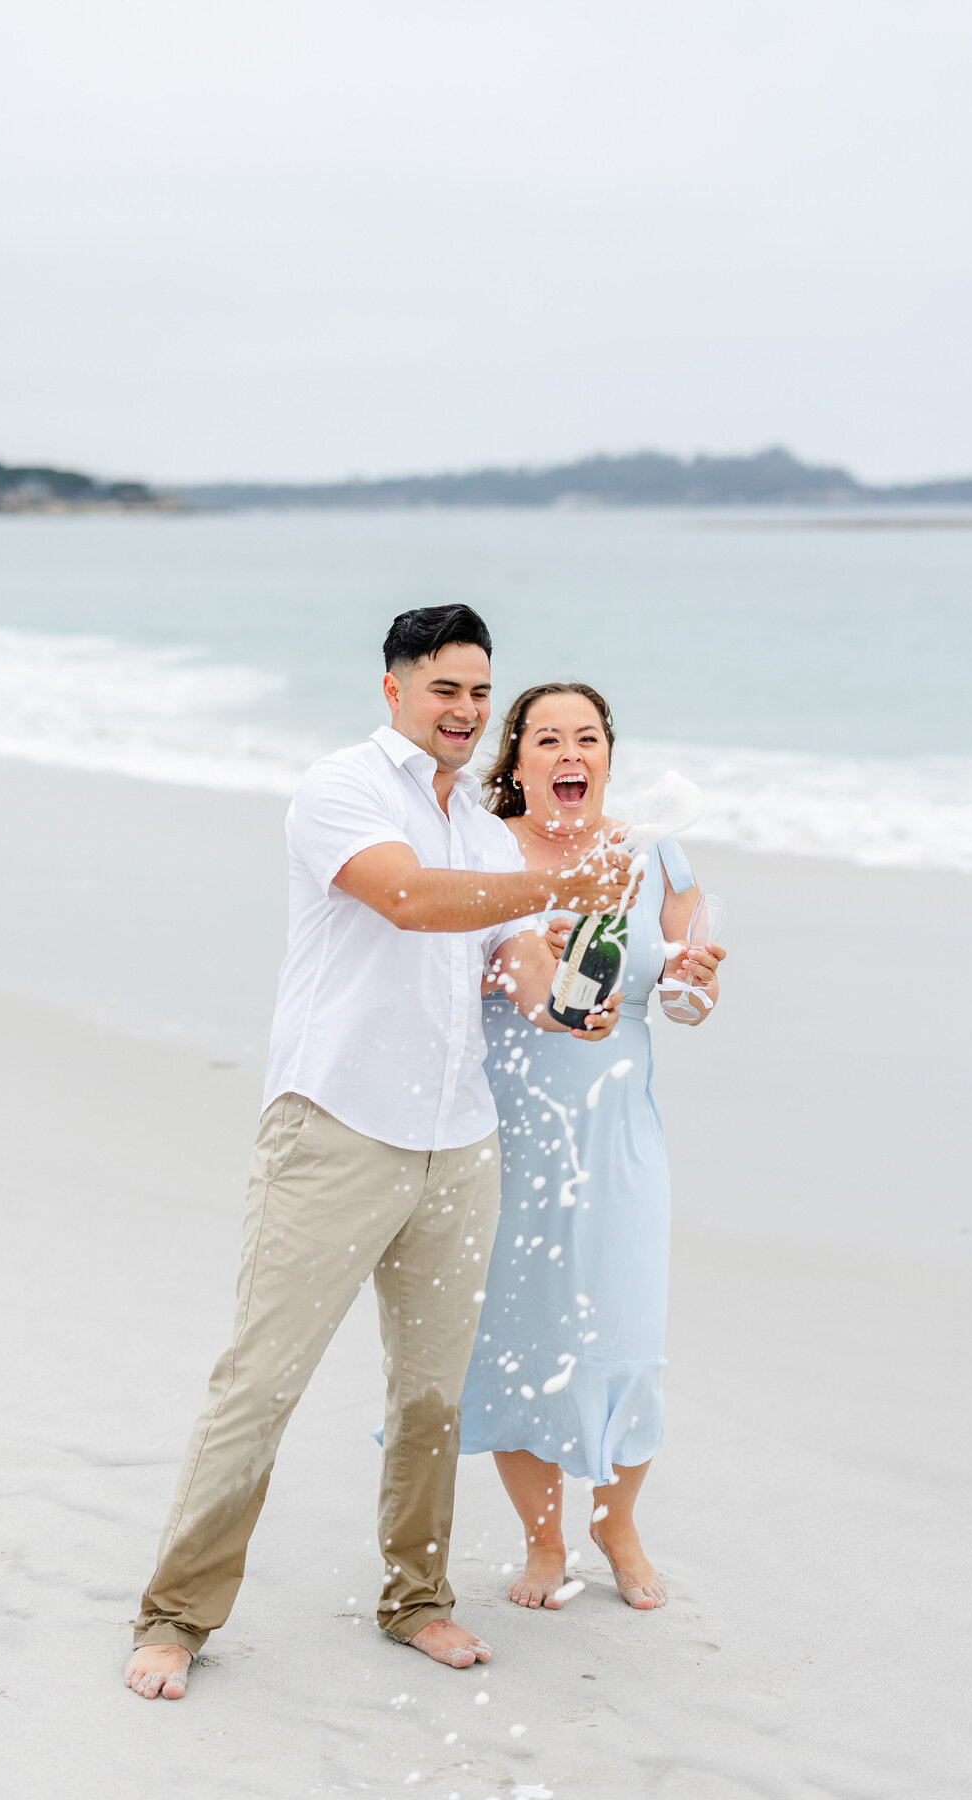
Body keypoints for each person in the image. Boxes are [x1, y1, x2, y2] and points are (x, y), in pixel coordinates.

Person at [124, 610, 638, 1700]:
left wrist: (571, 1008)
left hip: (460, 1144)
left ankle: (418, 1600)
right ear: (397, 687)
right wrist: (558, 889)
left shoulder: (490, 834)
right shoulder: (341, 788)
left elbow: (518, 969)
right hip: (337, 1129)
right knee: (260, 1384)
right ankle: (173, 1617)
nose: (464, 710)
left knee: (431, 1398)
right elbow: (406, 901)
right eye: (444, 688)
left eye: (478, 692)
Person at [460, 681, 725, 1611]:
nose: (570, 755)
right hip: (511, 1136)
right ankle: (543, 1545)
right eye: (548, 740)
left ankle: (616, 1522)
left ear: (608, 755)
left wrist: (694, 978)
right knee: (522, 1336)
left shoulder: (657, 855)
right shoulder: (488, 854)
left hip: (621, 1140)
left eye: (588, 739)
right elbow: (500, 970)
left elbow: (688, 1003)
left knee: (624, 1327)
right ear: (518, 759)